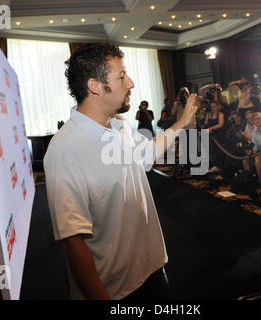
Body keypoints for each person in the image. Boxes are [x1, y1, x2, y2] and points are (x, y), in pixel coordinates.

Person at [44, 42, 198, 300]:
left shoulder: (120, 125)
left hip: (153, 269)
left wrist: (182, 123)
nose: (131, 83)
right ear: (95, 86)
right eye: (122, 76)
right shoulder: (65, 149)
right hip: (115, 291)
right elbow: (73, 242)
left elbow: (147, 154)